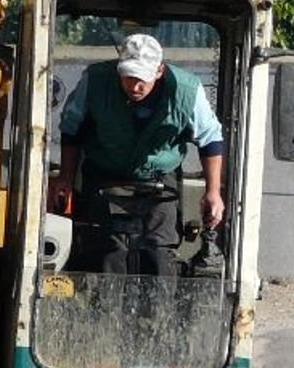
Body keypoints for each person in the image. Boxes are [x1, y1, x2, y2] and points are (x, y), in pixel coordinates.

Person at [49, 33, 225, 276]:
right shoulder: (95, 81)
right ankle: (102, 310)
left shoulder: (187, 91)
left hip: (161, 179)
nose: (134, 86)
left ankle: (160, 311)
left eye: (141, 78)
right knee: (107, 250)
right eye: (128, 76)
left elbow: (210, 140)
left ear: (159, 71)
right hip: (104, 175)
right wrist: (66, 178)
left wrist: (213, 192)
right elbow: (71, 130)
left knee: (159, 252)